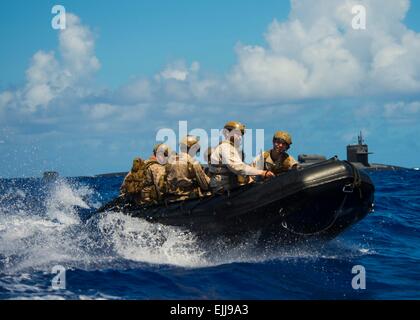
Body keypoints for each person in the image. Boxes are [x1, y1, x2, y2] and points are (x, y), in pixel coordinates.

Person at [208, 121, 274, 193]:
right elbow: (237, 167)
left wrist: (249, 179)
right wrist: (262, 172)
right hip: (222, 189)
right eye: (237, 133)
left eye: (241, 134)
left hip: (231, 186)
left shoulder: (233, 148)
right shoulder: (225, 147)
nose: (240, 137)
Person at [165, 135, 210, 202]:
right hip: (188, 199)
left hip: (170, 200)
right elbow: (205, 185)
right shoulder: (193, 162)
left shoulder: (169, 162)